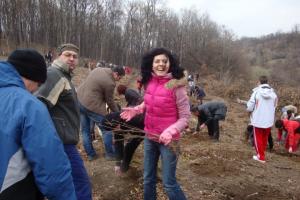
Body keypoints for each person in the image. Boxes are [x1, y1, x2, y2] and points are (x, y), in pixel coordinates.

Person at [0, 49, 76, 199]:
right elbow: (52, 169)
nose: (36, 90)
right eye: (39, 84)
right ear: (31, 77)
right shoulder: (29, 105)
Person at [121, 48, 190, 200]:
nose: (161, 64)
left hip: (169, 142)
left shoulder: (176, 85)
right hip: (150, 137)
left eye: (164, 61)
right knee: (148, 179)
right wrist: (138, 109)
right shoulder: (150, 81)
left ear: (170, 64)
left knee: (169, 183)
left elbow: (185, 117)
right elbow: (150, 99)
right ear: (151, 65)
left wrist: (171, 131)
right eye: (157, 61)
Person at [35, 43, 92, 200]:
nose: (72, 59)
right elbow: (38, 105)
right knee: (81, 184)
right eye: (67, 55)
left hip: (63, 140)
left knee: (68, 184)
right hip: (61, 142)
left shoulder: (65, 76)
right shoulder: (55, 75)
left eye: (75, 56)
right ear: (58, 56)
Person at [77, 65, 125, 160]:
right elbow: (109, 101)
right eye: (119, 77)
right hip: (91, 105)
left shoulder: (98, 69)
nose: (118, 80)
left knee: (85, 130)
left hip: (80, 101)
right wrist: (118, 113)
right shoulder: (110, 83)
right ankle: (110, 154)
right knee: (107, 128)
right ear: (115, 73)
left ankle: (91, 155)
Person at [246, 75, 277, 163]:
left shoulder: (256, 92)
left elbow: (250, 106)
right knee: (264, 137)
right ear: (267, 82)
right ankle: (261, 154)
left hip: (258, 119)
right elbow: (275, 106)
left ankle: (260, 157)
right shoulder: (273, 94)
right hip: (269, 120)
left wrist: (248, 109)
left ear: (259, 82)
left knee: (258, 138)